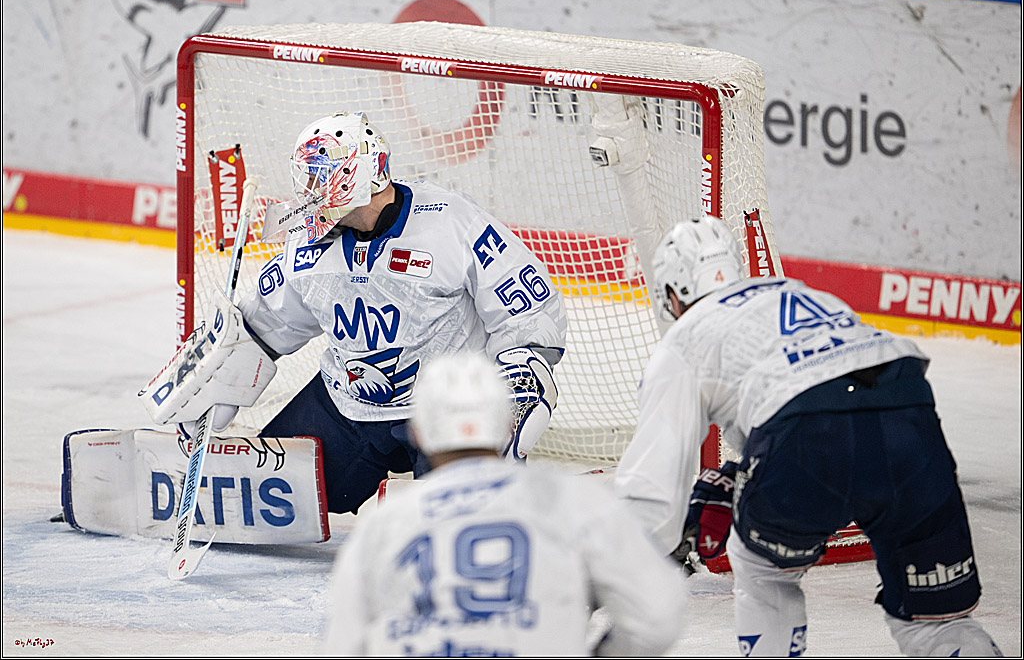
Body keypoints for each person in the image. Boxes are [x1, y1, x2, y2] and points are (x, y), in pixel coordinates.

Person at [142, 111, 567, 517]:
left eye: (319, 176)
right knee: (254, 495)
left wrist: (512, 390)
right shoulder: (308, 239)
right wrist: (220, 373)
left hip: (445, 406)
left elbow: (529, 313)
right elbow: (264, 326)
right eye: (305, 178)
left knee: (456, 522)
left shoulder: (450, 222)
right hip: (346, 404)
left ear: (356, 175)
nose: (308, 191)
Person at [614, 215, 1002, 657]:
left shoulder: (684, 337)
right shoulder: (800, 292)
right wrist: (747, 476)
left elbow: (651, 495)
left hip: (807, 432)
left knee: (762, 571)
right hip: (908, 411)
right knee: (935, 624)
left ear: (673, 292)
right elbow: (845, 400)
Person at [323, 352, 687, 656]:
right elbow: (658, 615)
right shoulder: (576, 501)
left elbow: (346, 646)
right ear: (510, 424)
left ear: (417, 431)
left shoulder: (382, 525)